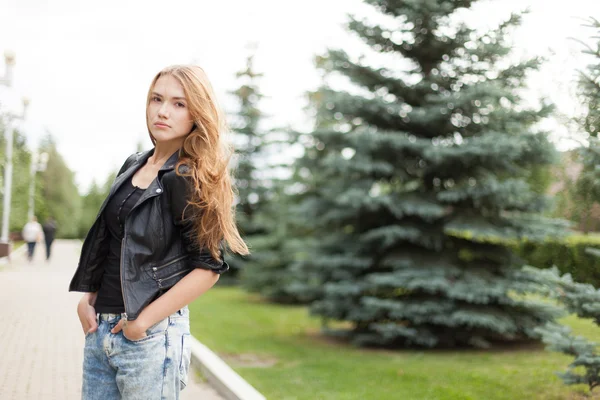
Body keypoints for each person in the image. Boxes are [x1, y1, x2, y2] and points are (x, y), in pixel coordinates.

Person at [69, 65, 249, 400]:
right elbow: (115, 242)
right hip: (101, 330)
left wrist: (142, 323)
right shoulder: (134, 164)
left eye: (179, 104)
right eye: (157, 99)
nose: (163, 111)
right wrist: (89, 296)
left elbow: (207, 269)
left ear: (197, 113)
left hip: (148, 338)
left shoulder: (185, 176)